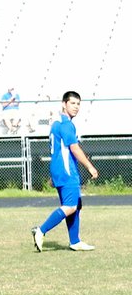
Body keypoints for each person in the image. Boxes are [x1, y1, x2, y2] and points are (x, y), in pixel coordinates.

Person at [31, 91, 99, 252]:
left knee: (75, 204)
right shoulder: (66, 124)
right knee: (70, 206)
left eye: (78, 104)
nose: (76, 107)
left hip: (60, 170)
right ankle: (40, 231)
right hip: (67, 171)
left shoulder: (57, 123)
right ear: (64, 104)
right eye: (72, 103)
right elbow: (74, 148)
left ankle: (75, 241)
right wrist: (90, 166)